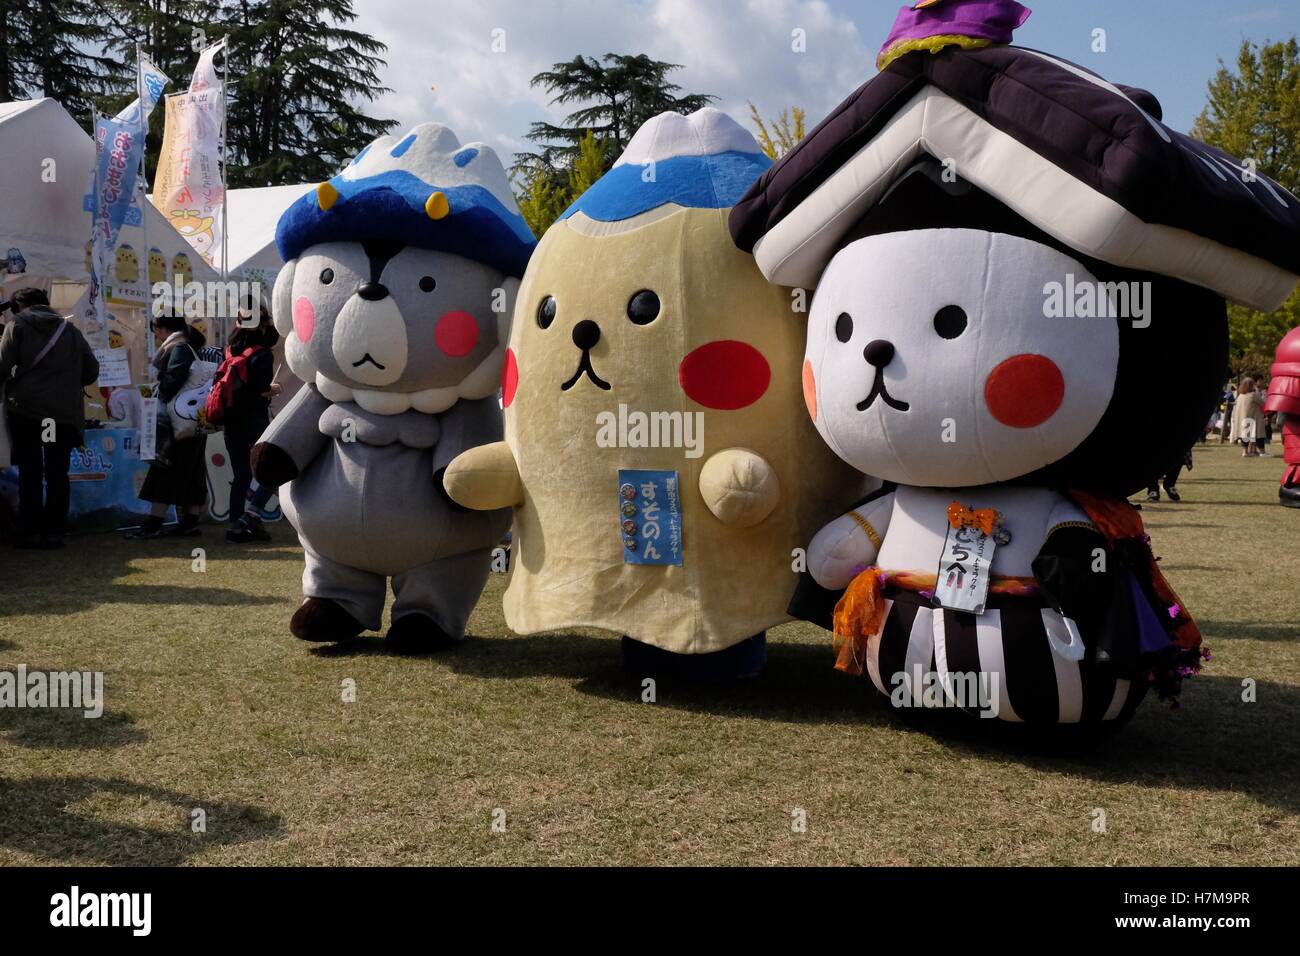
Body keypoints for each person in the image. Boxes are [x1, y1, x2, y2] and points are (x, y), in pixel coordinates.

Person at [0, 288, 99, 548]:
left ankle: (30, 529)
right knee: (57, 472)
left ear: (20, 305)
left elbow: (2, 365)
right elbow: (91, 371)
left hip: (28, 412)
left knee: (30, 471)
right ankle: (55, 530)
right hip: (60, 415)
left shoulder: (17, 326)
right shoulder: (70, 331)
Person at [128, 313, 209, 538]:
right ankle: (189, 522)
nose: (155, 335)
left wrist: (158, 390)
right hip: (192, 419)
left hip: (176, 421)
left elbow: (174, 378)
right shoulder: (189, 345)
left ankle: (153, 523)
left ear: (164, 329)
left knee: (164, 469)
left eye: (156, 330)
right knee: (192, 471)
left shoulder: (179, 347)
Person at [222, 300, 281, 543]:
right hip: (254, 419)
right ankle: (253, 512)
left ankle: (236, 524)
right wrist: (274, 389)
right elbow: (259, 389)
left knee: (241, 475)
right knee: (273, 469)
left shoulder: (230, 350)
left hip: (230, 420)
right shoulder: (262, 354)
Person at [1230, 377, 1268, 457]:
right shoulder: (1253, 395)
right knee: (1259, 435)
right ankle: (1262, 452)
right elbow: (1263, 403)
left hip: (1243, 419)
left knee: (1245, 436)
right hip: (1253, 418)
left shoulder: (1240, 396)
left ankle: (1245, 452)